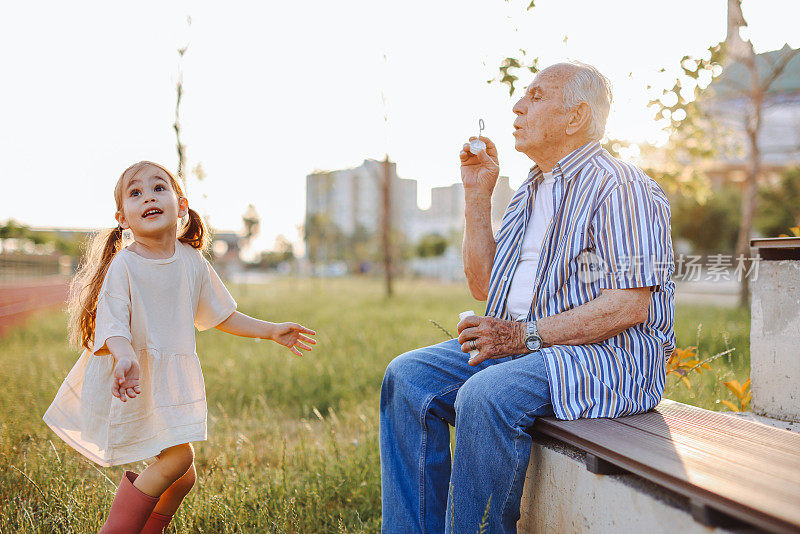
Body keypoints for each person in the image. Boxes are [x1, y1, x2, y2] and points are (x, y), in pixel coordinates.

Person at [380, 62, 675, 533]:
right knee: (408, 377)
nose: (517, 106)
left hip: (607, 357)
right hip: (527, 349)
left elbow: (629, 304)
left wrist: (523, 335)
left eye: (536, 96)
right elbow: (484, 285)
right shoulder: (528, 190)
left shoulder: (620, 185)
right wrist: (478, 195)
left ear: (576, 116)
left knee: (484, 394)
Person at [43, 161, 317, 533]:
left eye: (159, 188)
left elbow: (221, 315)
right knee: (178, 459)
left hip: (168, 381)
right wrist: (124, 356)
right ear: (123, 218)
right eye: (136, 193)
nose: (149, 197)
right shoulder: (125, 265)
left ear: (181, 204)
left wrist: (271, 331)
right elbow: (113, 324)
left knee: (184, 477)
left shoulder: (191, 261)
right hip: (133, 378)